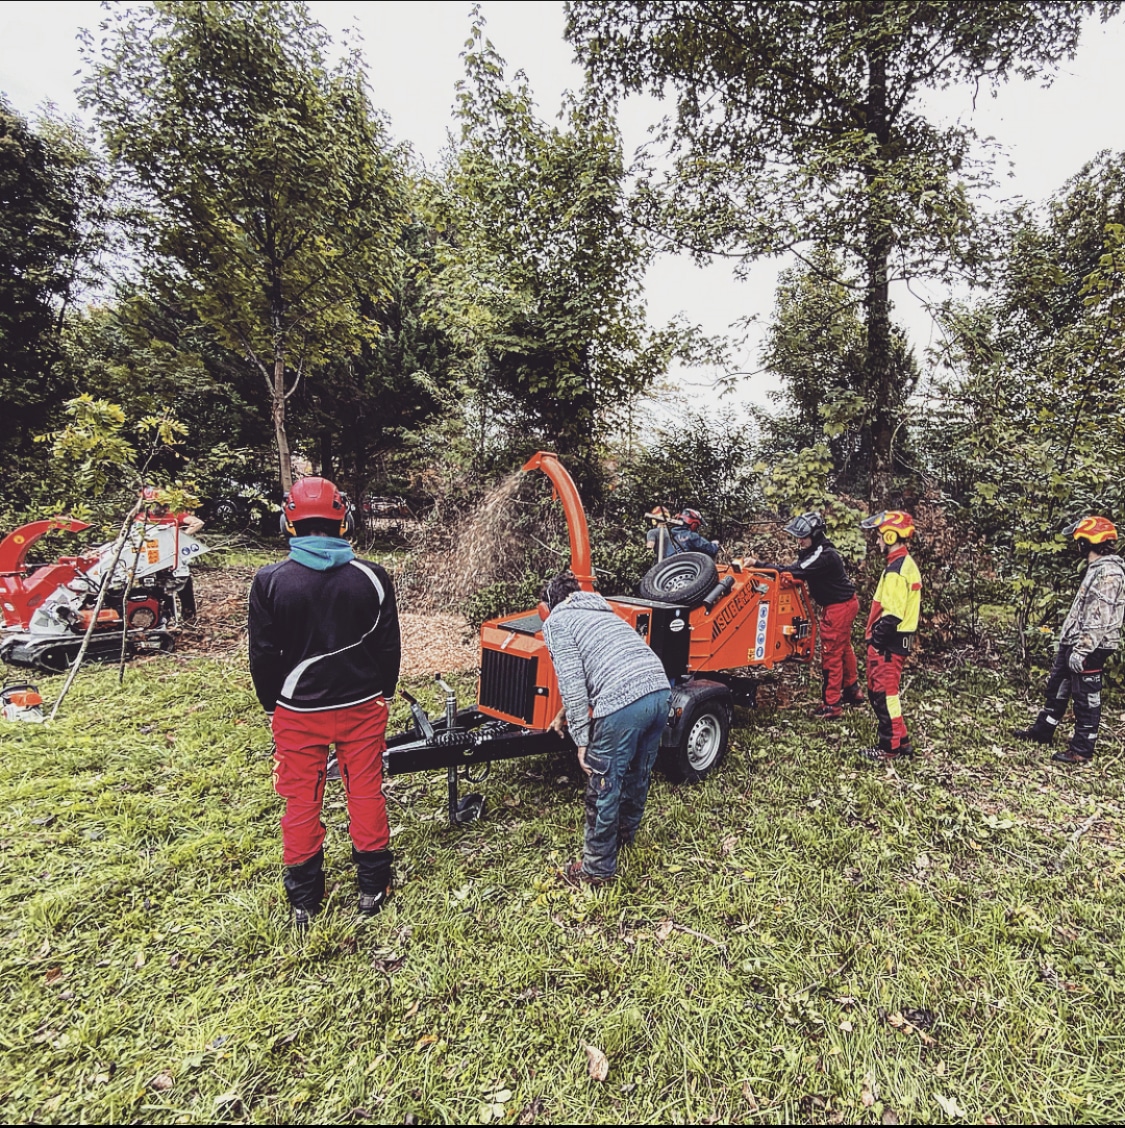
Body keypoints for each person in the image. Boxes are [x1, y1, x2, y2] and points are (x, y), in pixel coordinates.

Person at [248, 476, 401, 928]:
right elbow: (387, 646)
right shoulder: (372, 577)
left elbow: (262, 653)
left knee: (301, 801)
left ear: (287, 521)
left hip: (297, 711)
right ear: (345, 520)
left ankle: (304, 898)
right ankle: (373, 885)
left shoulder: (270, 581)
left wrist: (272, 703)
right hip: (362, 706)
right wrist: (384, 691)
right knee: (366, 792)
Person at [540, 571, 672, 885]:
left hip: (624, 703)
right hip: (659, 690)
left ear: (550, 603)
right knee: (638, 770)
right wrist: (563, 714)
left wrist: (582, 741)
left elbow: (573, 685)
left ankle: (596, 870)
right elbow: (603, 668)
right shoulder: (605, 613)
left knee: (603, 781)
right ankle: (624, 834)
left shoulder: (558, 622)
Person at [1014, 515, 1125, 765]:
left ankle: (1082, 750)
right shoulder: (1097, 569)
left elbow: (1099, 616)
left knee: (1086, 698)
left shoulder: (1109, 573)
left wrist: (1083, 649)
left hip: (1091, 646)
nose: (1077, 545)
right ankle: (1043, 731)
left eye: (1080, 540)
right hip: (1074, 641)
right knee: (1057, 688)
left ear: (1088, 542)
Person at [753, 511, 863, 718]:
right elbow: (801, 572)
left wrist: (759, 565)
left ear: (815, 534)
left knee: (832, 654)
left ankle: (832, 705)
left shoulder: (824, 555)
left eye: (803, 536)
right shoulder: (815, 551)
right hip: (844, 604)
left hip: (839, 608)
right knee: (844, 648)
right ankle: (852, 689)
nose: (799, 540)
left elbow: (791, 571)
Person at [857, 510, 922, 762]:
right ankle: (902, 741)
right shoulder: (905, 564)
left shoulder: (896, 570)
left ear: (891, 534)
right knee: (887, 693)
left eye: (880, 537)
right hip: (896, 641)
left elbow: (892, 615)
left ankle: (889, 748)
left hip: (889, 642)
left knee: (884, 695)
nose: (878, 542)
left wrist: (876, 640)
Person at [645, 506, 720, 559]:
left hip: (664, 569)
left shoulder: (672, 532)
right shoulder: (691, 536)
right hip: (686, 568)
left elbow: (649, 551)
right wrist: (715, 544)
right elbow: (711, 549)